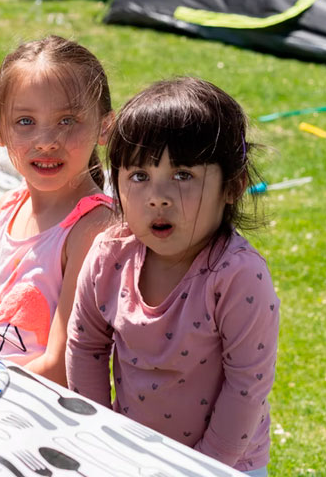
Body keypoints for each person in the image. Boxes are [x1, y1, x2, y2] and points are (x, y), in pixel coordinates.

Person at [66, 77, 278, 475]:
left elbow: (245, 389)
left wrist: (199, 469)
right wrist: (98, 436)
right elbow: (86, 347)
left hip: (225, 465)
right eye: (139, 176)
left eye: (183, 175)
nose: (157, 197)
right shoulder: (109, 256)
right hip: (130, 455)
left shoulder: (237, 277)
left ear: (233, 186)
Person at [0, 37, 114, 385]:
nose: (46, 140)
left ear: (104, 126)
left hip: (31, 409)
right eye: (25, 121)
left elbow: (59, 367)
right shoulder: (8, 205)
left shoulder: (94, 229)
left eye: (67, 120)